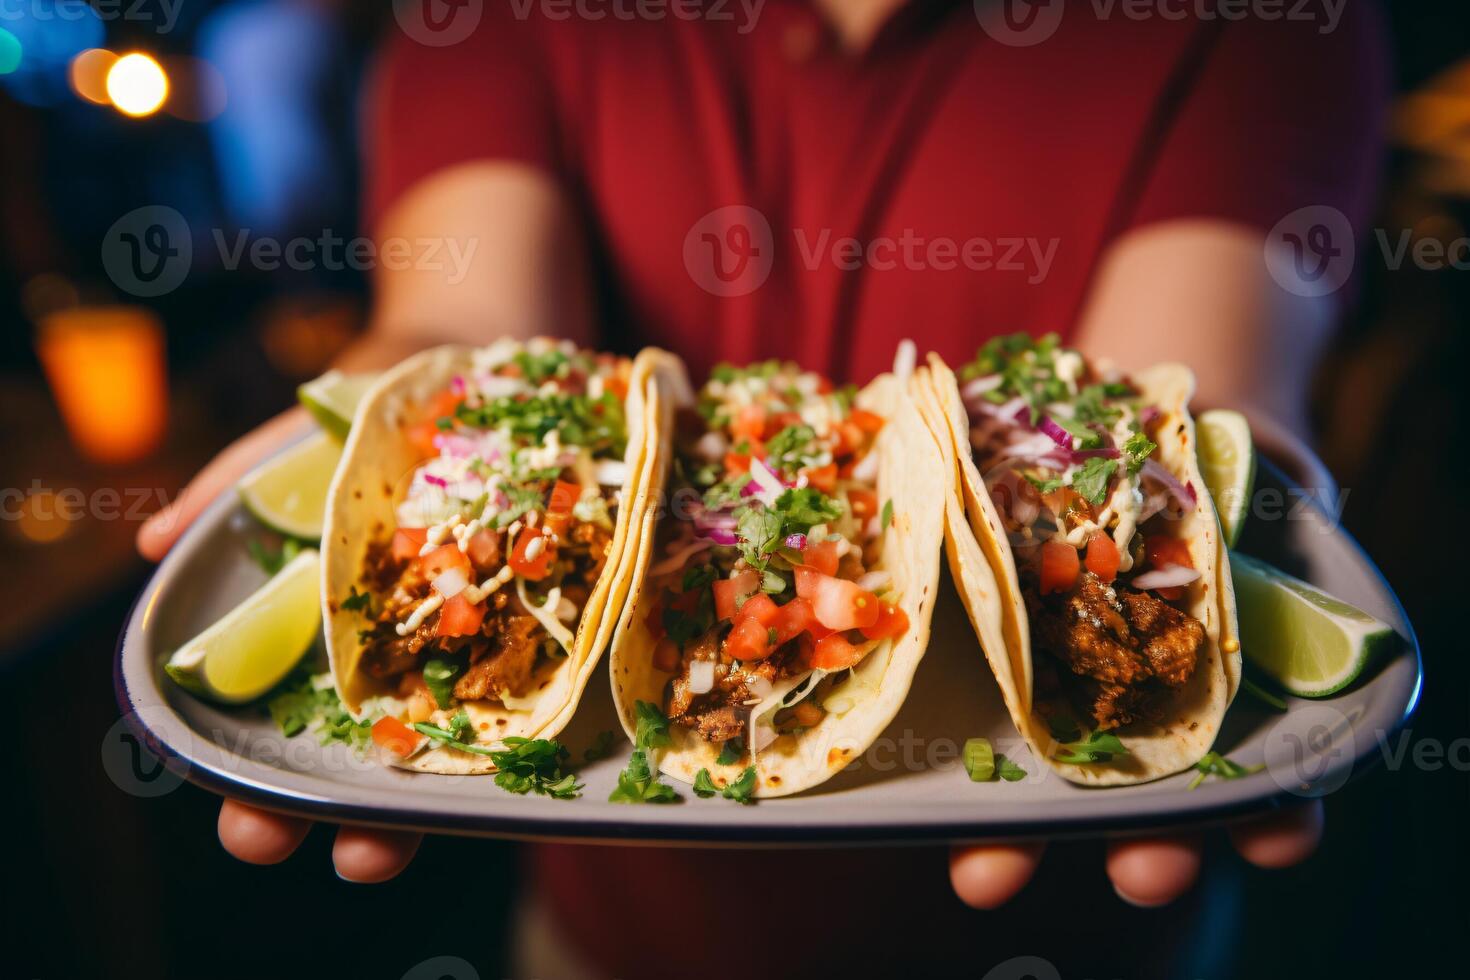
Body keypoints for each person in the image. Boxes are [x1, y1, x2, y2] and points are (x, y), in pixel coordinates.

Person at [138, 1, 1385, 975]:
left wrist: (1240, 477)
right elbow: (470, 320)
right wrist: (371, 403)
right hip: (615, 930)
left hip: (1086, 933)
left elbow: (1196, 377)